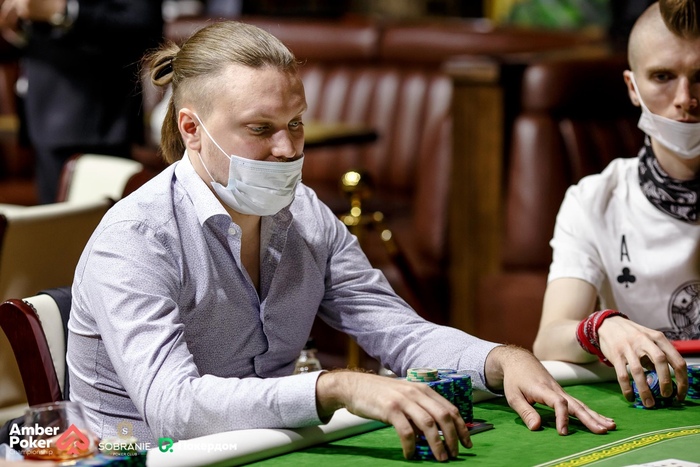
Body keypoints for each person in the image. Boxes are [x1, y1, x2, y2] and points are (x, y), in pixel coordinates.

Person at [66, 20, 615, 462]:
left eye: (296, 123)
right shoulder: (135, 239)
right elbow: (175, 410)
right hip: (138, 458)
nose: (288, 149)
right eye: (260, 129)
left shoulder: (306, 214)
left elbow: (398, 332)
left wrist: (499, 358)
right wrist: (338, 387)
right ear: (192, 129)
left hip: (264, 450)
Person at [533, 0, 698, 410]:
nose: (685, 99)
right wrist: (601, 327)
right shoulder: (593, 200)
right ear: (632, 87)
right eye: (662, 76)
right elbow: (549, 339)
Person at [0, 0, 163, 204]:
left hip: (102, 123)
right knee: (53, 221)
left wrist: (65, 11)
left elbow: (144, 26)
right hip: (41, 121)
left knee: (105, 220)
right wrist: (14, 28)